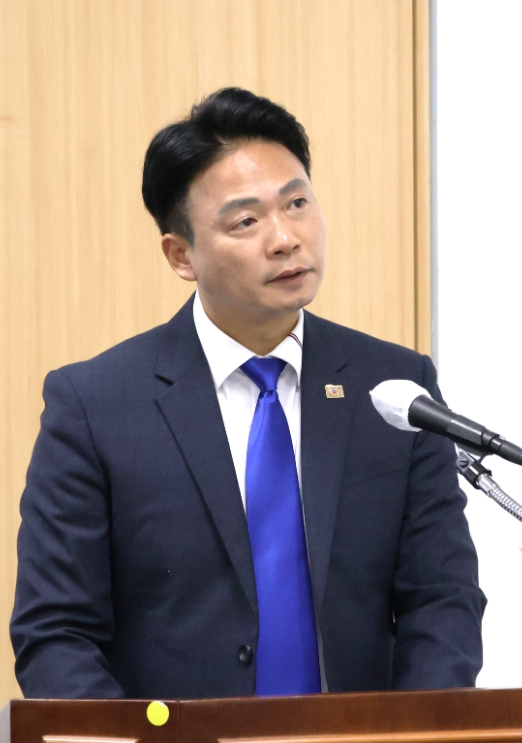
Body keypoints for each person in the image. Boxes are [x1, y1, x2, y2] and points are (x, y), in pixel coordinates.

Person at [11, 88, 486, 700]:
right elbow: (56, 631)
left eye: (297, 203)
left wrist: (416, 734)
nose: (285, 238)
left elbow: (442, 599)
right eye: (246, 221)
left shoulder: (393, 389)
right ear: (181, 255)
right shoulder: (95, 405)